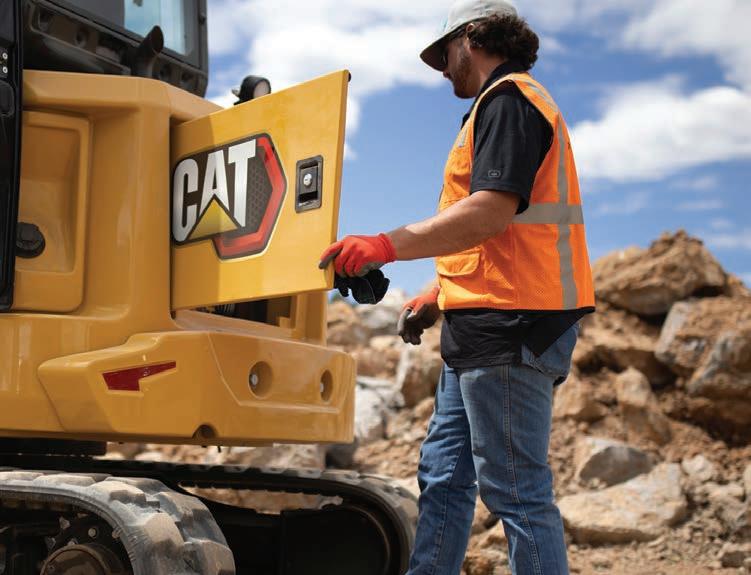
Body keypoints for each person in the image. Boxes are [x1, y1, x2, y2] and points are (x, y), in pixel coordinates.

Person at [319, 0, 595, 572]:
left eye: (443, 54)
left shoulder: (511, 102)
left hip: (512, 324)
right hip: (482, 324)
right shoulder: (491, 109)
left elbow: (489, 213)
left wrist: (384, 245)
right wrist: (438, 293)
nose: (442, 69)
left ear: (472, 38)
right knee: (443, 475)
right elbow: (495, 238)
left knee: (516, 492)